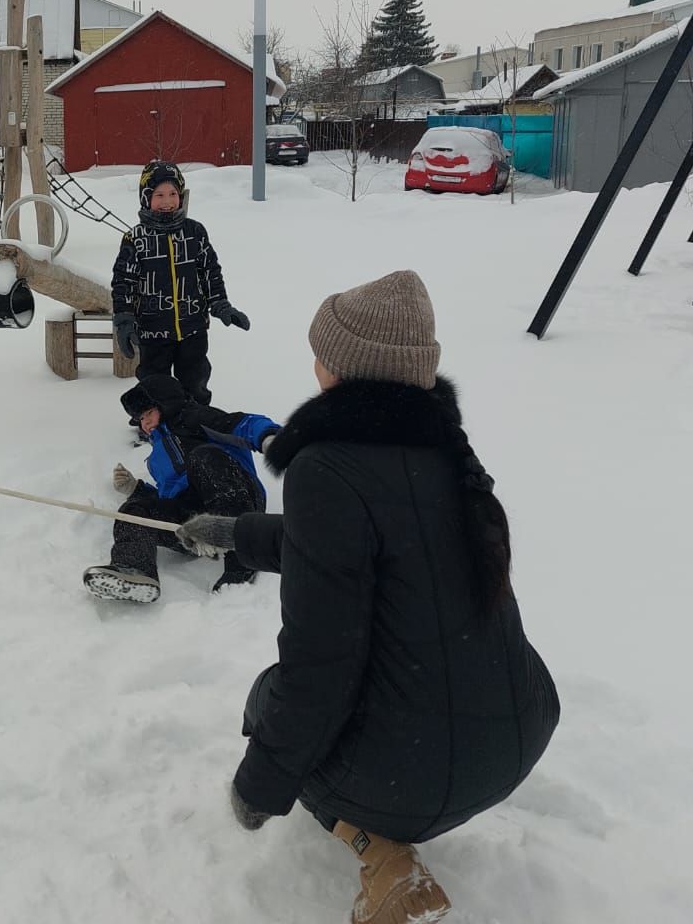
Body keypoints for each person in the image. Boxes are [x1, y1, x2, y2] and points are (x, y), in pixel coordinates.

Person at [174, 270, 559, 924]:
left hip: (413, 775)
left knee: (269, 698)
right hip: (517, 737)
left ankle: (383, 857)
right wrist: (237, 535)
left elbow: (318, 667)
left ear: (348, 371)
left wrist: (261, 787)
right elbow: (357, 540)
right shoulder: (444, 451)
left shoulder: (328, 468)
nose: (314, 363)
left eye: (323, 353)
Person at [82, 372, 278, 604]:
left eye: (147, 414)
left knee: (201, 457)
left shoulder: (193, 418)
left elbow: (239, 423)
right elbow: (168, 497)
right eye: (140, 420)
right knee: (135, 509)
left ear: (164, 404)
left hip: (235, 496)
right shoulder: (156, 458)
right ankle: (134, 569)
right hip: (194, 522)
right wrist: (136, 491)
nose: (144, 424)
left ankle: (241, 561)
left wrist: (269, 436)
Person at [110, 161, 249, 407]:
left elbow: (210, 272)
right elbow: (124, 282)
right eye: (159, 195)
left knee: (195, 380)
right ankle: (153, 425)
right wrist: (124, 319)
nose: (167, 201)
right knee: (154, 384)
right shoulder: (136, 238)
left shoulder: (195, 232)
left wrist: (221, 305)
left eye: (173, 194)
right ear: (146, 198)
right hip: (152, 331)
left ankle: (196, 418)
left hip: (193, 328)